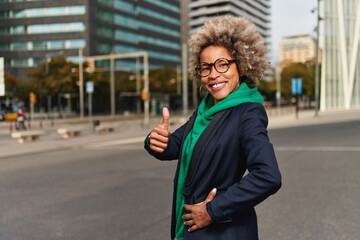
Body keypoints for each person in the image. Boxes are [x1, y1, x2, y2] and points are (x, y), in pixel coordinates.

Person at [144, 16, 281, 240]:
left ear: (242, 64)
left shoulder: (247, 112)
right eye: (205, 67)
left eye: (223, 64)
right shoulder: (206, 108)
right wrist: (155, 140)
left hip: (221, 232)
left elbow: (268, 176)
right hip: (189, 230)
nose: (213, 74)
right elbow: (177, 145)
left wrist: (213, 210)